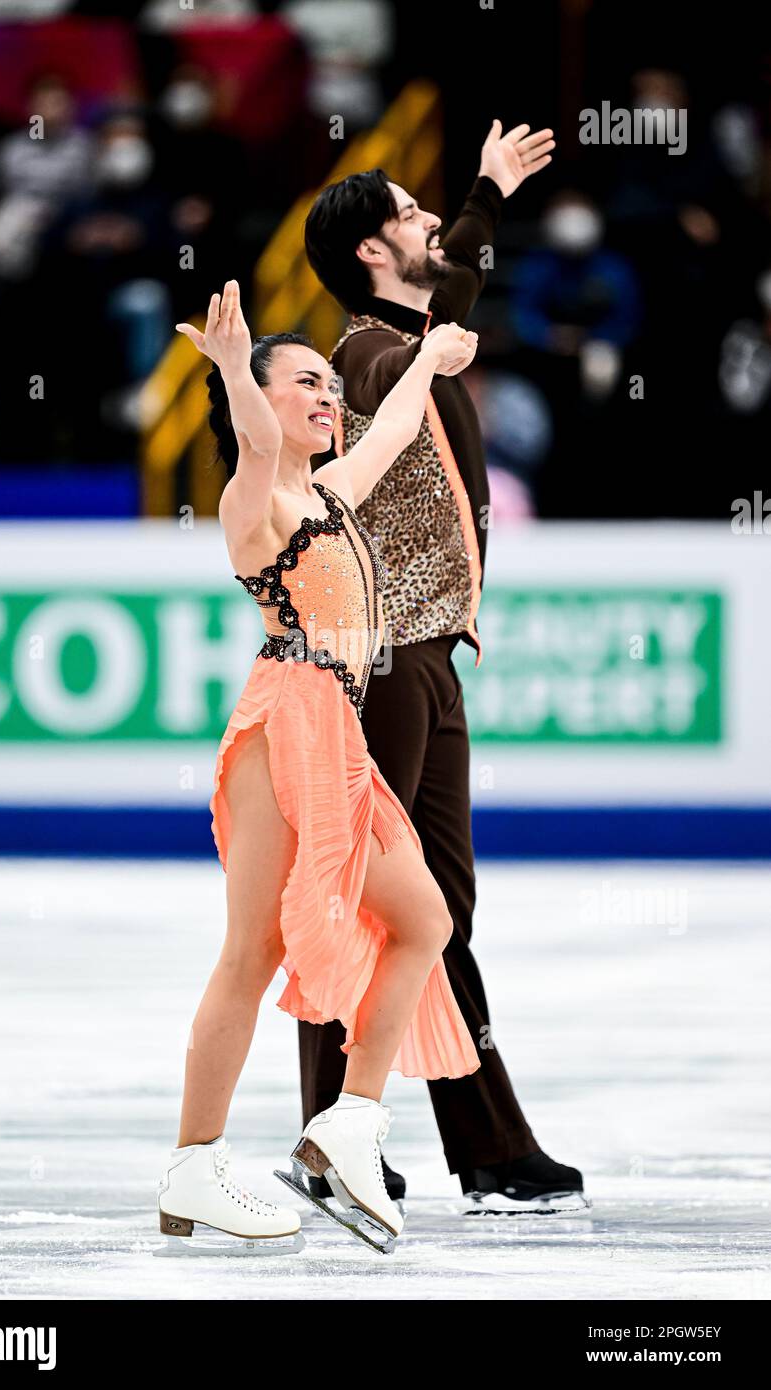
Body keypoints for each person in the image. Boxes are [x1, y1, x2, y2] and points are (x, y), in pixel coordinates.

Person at [157, 281, 480, 1255]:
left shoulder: (334, 494)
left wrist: (425, 359)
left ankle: (346, 1123)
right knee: (250, 951)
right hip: (281, 721)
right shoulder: (255, 503)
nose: (323, 396)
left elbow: (386, 434)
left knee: (423, 918)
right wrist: (227, 367)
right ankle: (192, 1164)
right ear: (259, 398)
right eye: (302, 382)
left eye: (327, 384)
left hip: (334, 725)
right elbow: (257, 442)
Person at [303, 119, 589, 1212]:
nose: (433, 224)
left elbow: (448, 299)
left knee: (435, 912)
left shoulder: (404, 338)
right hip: (378, 663)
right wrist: (472, 210)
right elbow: (427, 332)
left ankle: (480, 1142)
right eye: (412, 215)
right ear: (374, 253)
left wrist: (482, 193)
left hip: (424, 661)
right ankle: (360, 1137)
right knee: (369, 906)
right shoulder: (367, 358)